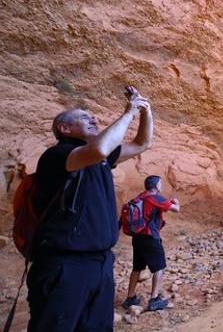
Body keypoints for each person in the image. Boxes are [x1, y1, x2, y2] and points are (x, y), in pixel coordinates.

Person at [28, 86, 153, 332]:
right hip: (65, 264)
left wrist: (145, 110)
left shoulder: (102, 159)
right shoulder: (57, 155)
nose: (94, 119)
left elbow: (142, 143)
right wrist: (129, 111)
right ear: (65, 129)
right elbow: (98, 149)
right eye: (85, 118)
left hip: (101, 263)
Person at [121, 175, 180, 312]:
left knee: (137, 268)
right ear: (156, 186)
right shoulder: (155, 197)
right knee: (159, 267)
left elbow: (154, 210)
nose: (161, 186)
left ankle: (130, 298)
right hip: (150, 237)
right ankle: (154, 300)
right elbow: (176, 209)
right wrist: (176, 202)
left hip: (137, 237)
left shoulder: (140, 197)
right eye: (160, 183)